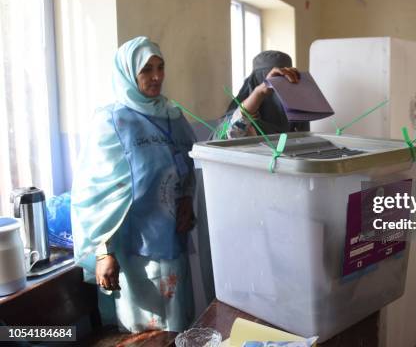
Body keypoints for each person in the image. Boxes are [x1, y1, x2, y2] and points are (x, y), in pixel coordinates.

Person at [71, 36, 197, 332]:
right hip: (135, 254)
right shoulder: (114, 121)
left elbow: (190, 165)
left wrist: (187, 201)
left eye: (160, 67)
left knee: (180, 328)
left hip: (174, 245)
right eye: (146, 70)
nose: (156, 77)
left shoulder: (173, 116)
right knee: (145, 334)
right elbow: (97, 195)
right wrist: (104, 251)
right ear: (128, 73)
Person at [224, 50, 308, 138]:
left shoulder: (298, 108)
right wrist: (259, 93)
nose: (275, 89)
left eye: (283, 80)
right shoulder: (234, 115)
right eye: (273, 80)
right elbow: (231, 134)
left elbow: (306, 140)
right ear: (255, 81)